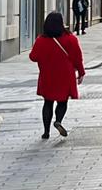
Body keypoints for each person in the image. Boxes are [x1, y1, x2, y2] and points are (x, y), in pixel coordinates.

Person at [29, 10, 85, 140]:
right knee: (62, 101)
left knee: (47, 102)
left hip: (47, 76)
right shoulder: (71, 39)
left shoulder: (41, 40)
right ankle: (58, 120)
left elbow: (33, 57)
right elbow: (78, 57)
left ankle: (46, 132)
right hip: (65, 75)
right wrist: (81, 72)